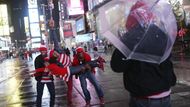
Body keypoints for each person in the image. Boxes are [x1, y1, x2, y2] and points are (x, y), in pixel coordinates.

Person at [110, 48, 176, 107]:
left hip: (143, 98)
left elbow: (117, 66)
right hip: (165, 96)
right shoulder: (162, 37)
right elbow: (167, 64)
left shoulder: (131, 39)